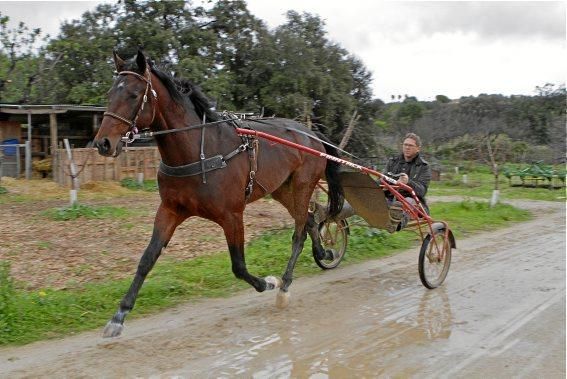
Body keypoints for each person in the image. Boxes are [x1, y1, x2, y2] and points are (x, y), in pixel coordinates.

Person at [384, 132, 431, 232]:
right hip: (392, 198)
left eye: (410, 145)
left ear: (418, 148)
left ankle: (397, 224)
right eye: (405, 145)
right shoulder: (393, 161)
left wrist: (408, 182)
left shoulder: (423, 167)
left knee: (407, 201)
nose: (407, 147)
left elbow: (422, 190)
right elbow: (383, 178)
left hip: (414, 202)